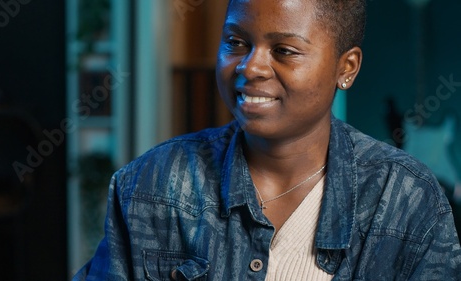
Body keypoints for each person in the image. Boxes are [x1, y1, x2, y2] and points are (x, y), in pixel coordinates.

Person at [73, 0, 461, 280]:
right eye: (236, 42)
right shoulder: (151, 184)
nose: (251, 66)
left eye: (284, 50)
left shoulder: (407, 200)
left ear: (346, 67)